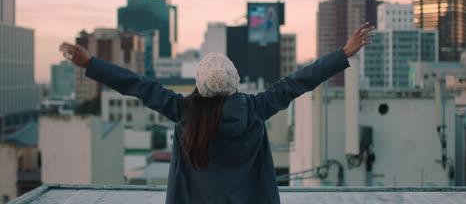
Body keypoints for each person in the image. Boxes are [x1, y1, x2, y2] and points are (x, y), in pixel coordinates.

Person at [60, 22, 374, 204]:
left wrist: (91, 63)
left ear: (200, 84)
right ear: (235, 82)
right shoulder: (255, 109)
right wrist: (343, 54)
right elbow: (299, 81)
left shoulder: (183, 111)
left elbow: (137, 85)